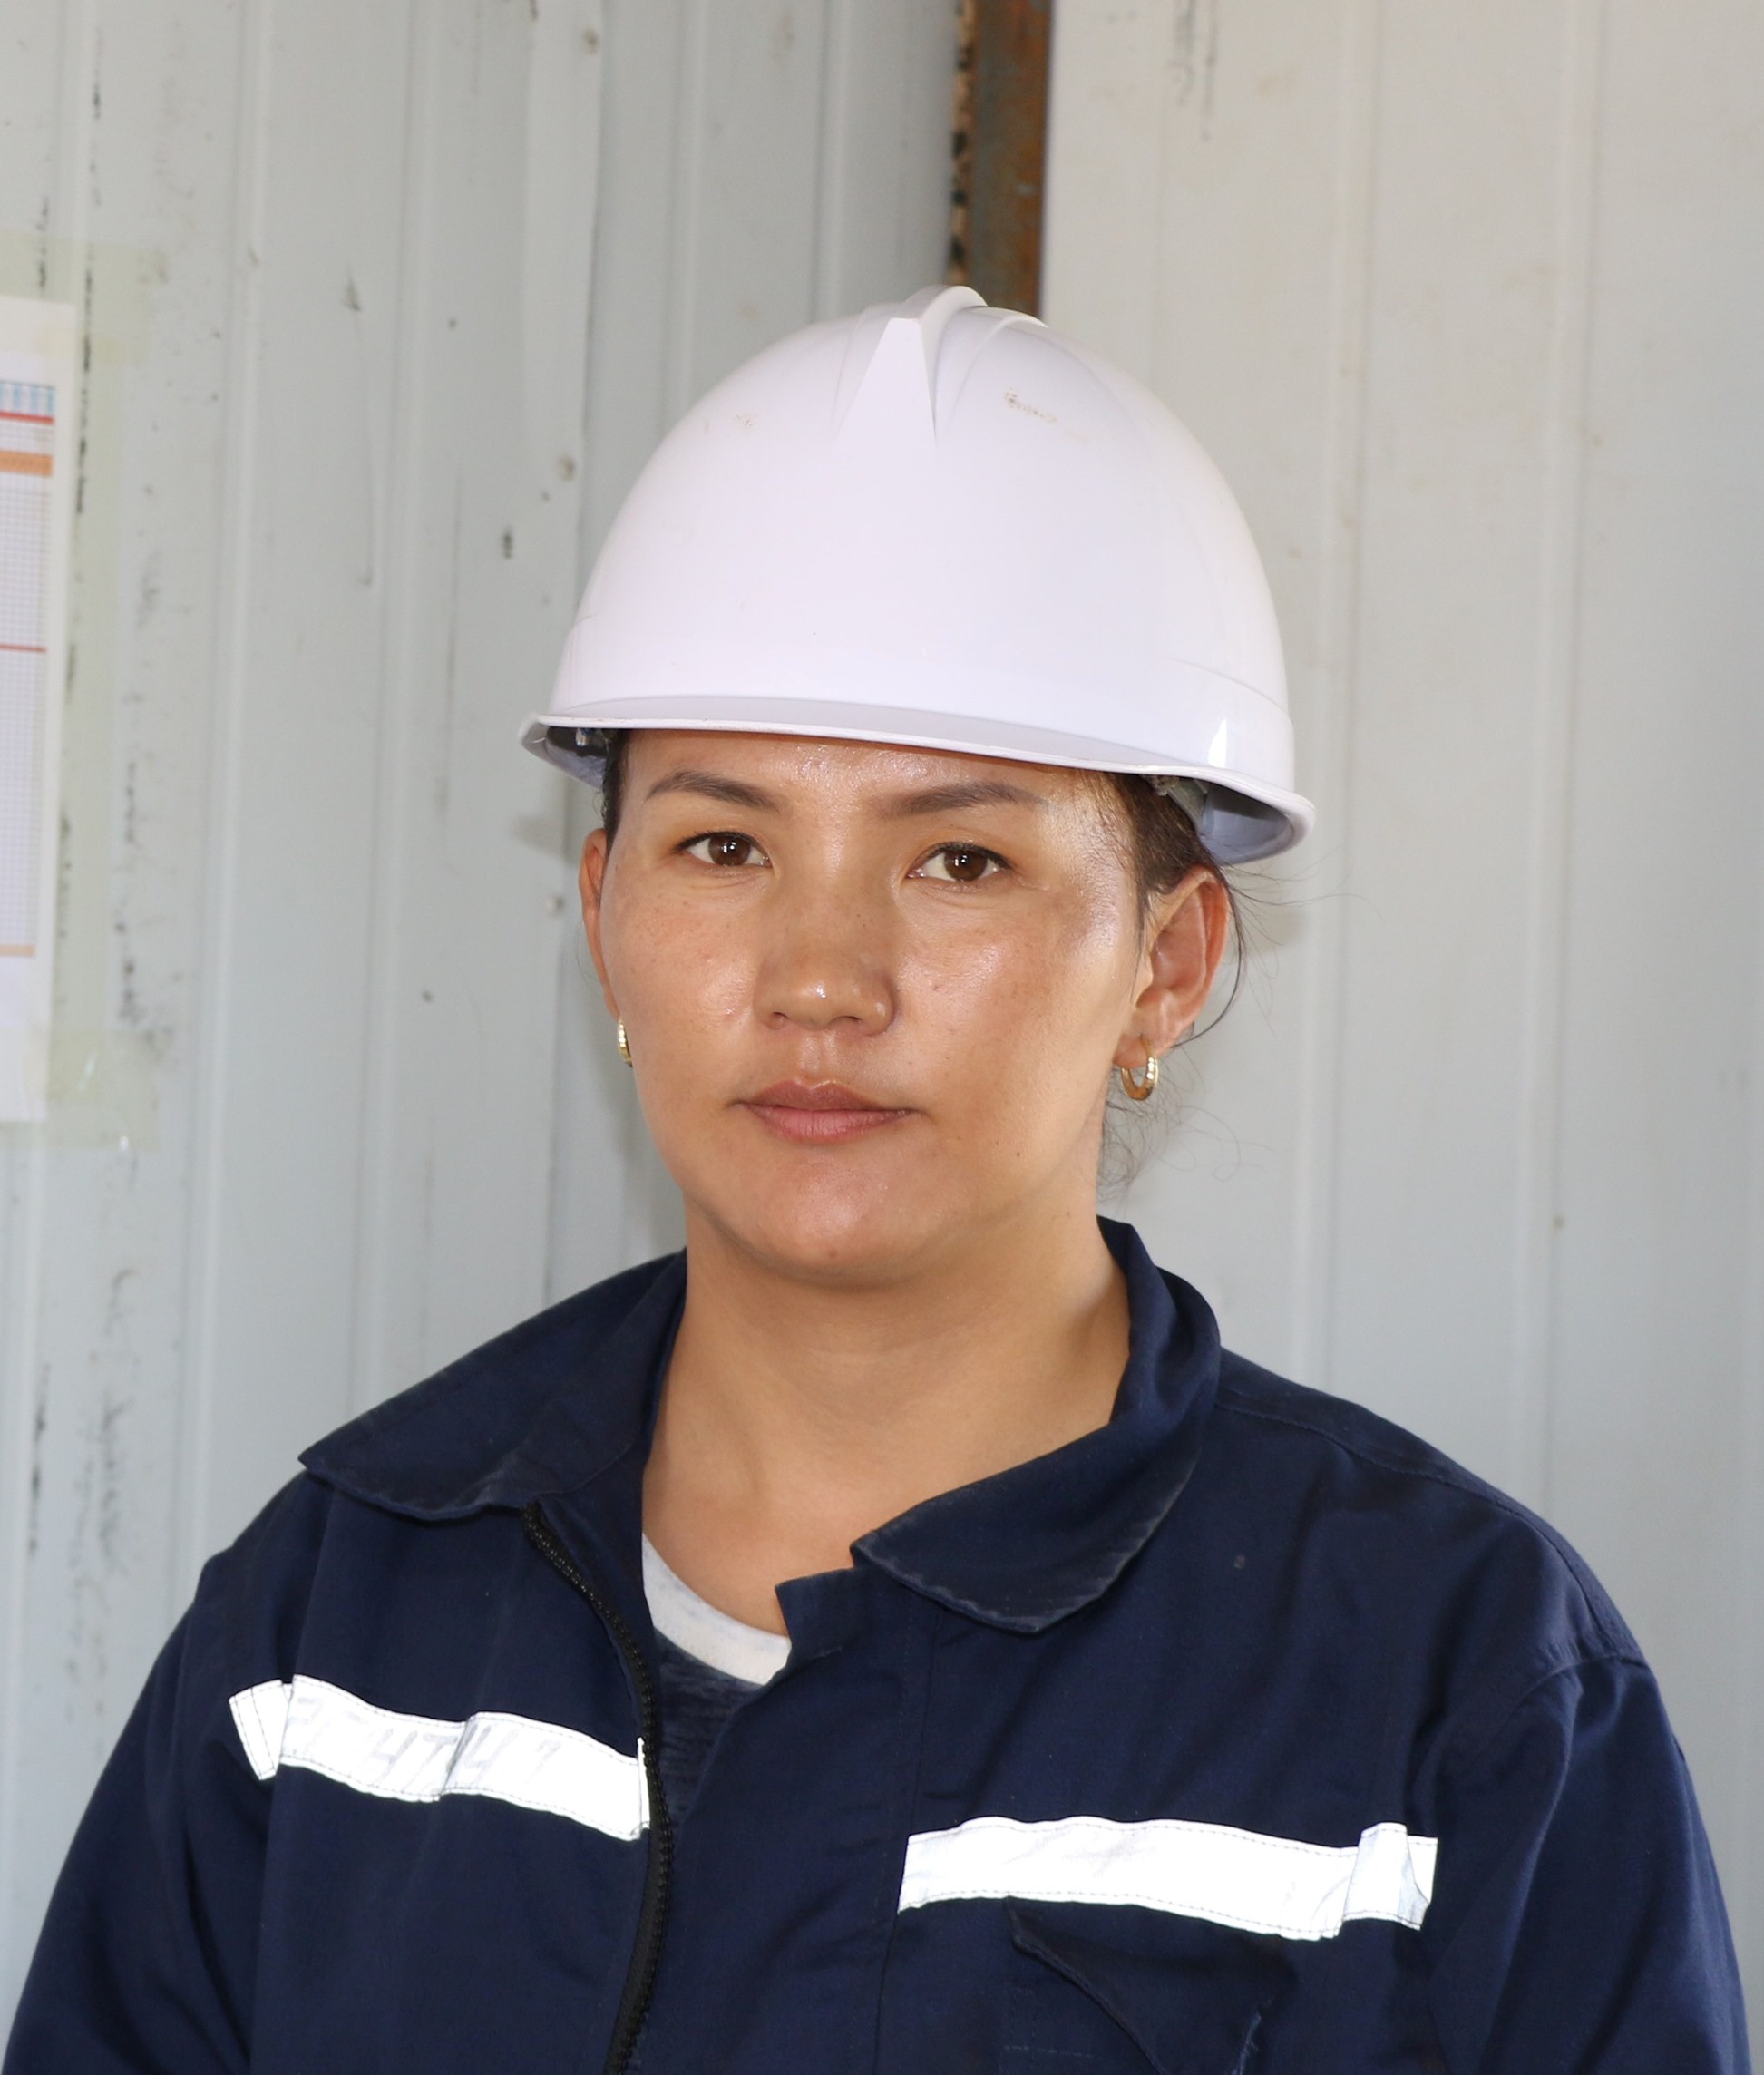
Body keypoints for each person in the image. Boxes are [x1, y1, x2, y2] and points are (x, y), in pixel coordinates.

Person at [4, 287, 1747, 2074]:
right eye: (723, 843)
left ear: (1166, 962)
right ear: (603, 919)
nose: (820, 978)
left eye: (960, 859)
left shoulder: (1446, 1683)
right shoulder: (338, 1626)